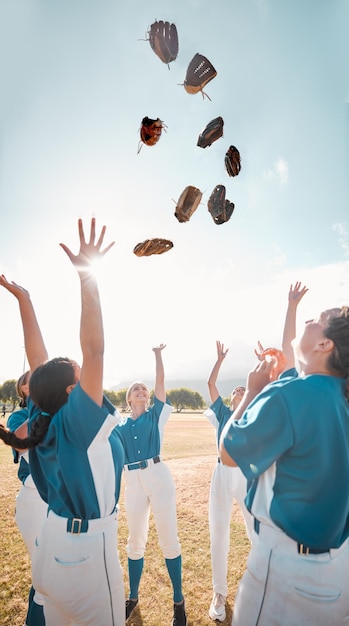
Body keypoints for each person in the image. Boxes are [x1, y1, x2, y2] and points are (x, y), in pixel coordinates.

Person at [0, 218, 126, 626]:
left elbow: (40, 364)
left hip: (52, 544)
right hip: (87, 553)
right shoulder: (75, 423)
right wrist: (87, 275)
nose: (84, 369)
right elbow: (95, 348)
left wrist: (24, 300)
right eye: (78, 371)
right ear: (73, 391)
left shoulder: (44, 414)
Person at [219, 285, 349, 626]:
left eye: (318, 319)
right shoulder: (338, 394)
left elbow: (228, 452)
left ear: (324, 345)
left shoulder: (294, 393)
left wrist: (252, 391)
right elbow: (295, 373)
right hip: (335, 571)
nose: (311, 318)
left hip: (285, 573)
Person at [116, 344, 187, 626]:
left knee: (169, 539)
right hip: (131, 480)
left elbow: (160, 383)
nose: (141, 391)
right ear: (129, 398)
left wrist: (158, 355)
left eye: (144, 389)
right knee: (135, 541)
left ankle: (178, 601)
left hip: (158, 476)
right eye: (136, 389)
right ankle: (132, 597)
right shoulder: (119, 425)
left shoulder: (156, 415)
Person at [205, 341, 253, 622]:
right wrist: (220, 359)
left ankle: (265, 584)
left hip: (248, 474)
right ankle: (219, 594)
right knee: (219, 532)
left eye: (242, 389)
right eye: (235, 390)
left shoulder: (255, 413)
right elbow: (211, 382)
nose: (238, 391)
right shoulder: (222, 413)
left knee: (257, 531)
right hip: (222, 473)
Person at [7, 370, 47, 626]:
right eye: (30, 379)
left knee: (55, 574)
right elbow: (20, 444)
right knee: (43, 575)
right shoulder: (19, 416)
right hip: (34, 499)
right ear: (23, 389)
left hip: (59, 499)